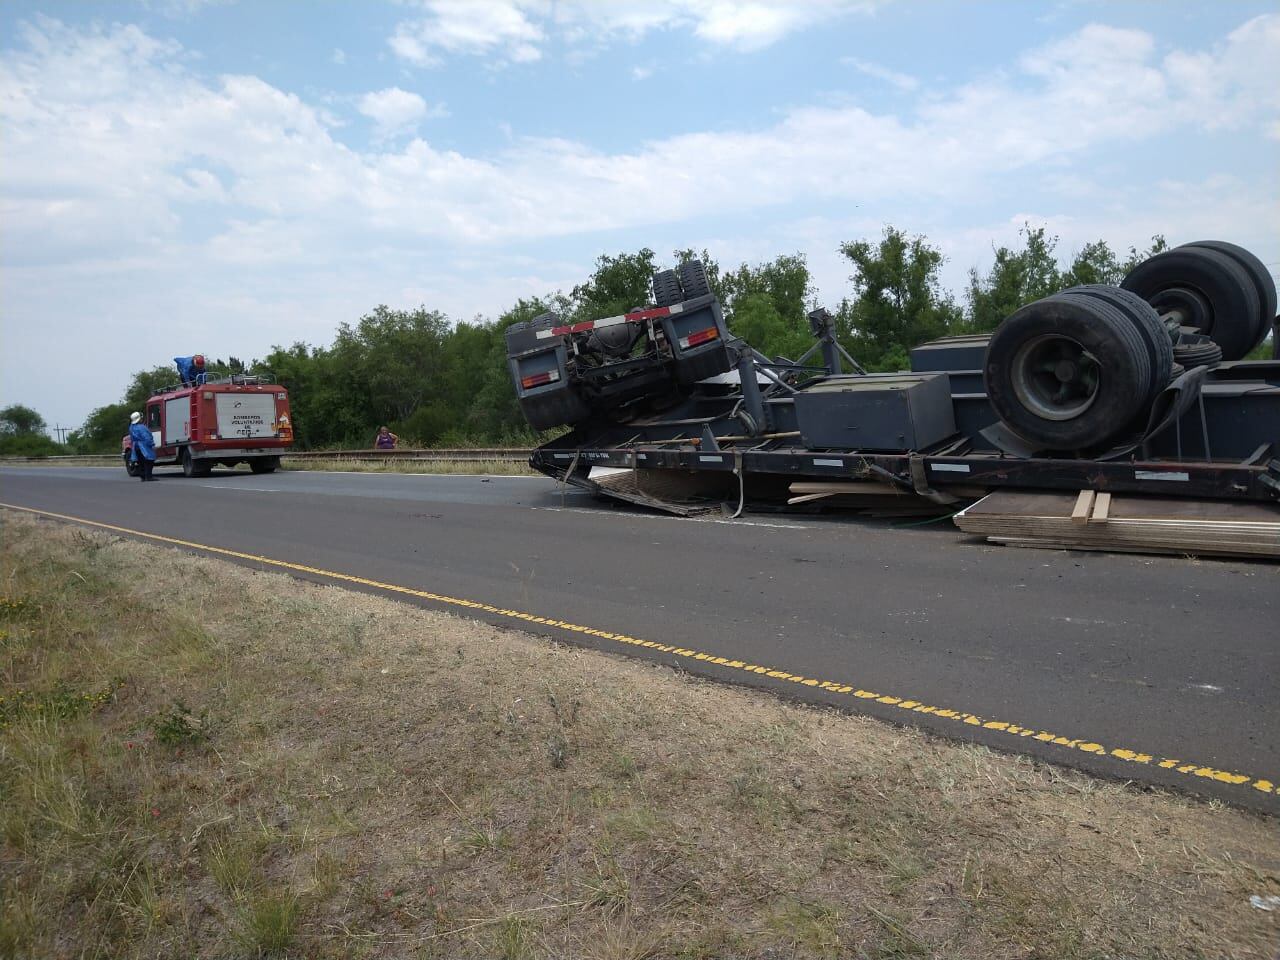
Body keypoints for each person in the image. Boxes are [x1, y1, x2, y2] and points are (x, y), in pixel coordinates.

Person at [128, 411, 157, 481]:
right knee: (149, 461)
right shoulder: (142, 427)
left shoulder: (131, 427)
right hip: (144, 446)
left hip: (136, 446)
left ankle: (143, 476)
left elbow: (131, 438)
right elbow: (147, 437)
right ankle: (149, 476)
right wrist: (151, 444)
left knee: (140, 461)